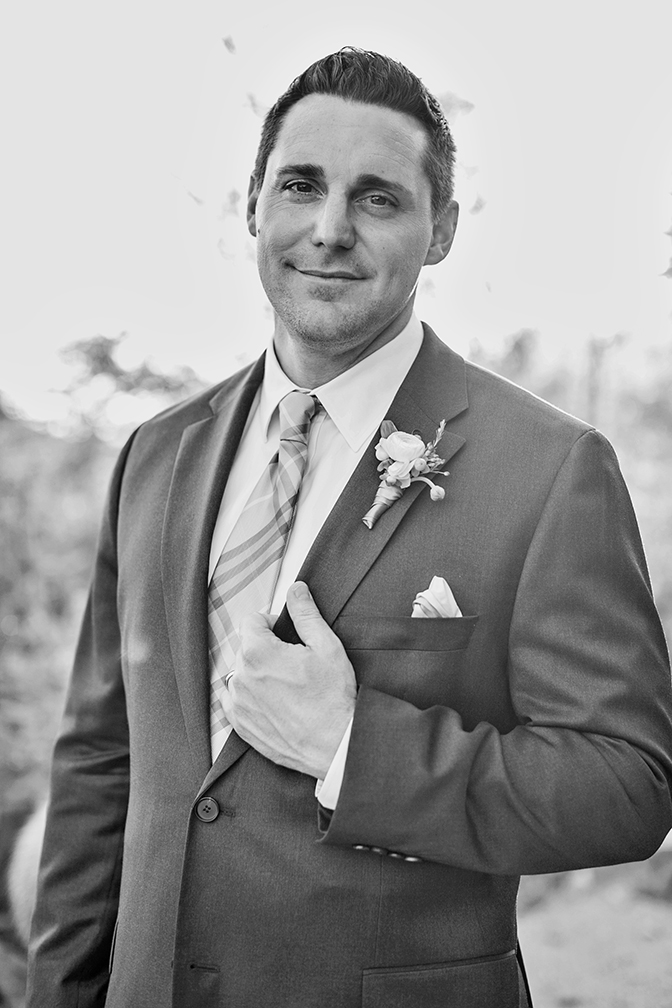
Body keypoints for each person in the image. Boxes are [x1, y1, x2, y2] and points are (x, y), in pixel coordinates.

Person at [27, 48, 672, 1008]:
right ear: (253, 205)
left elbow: (626, 787)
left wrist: (351, 746)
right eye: (301, 185)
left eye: (377, 198)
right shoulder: (156, 455)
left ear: (440, 230)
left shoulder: (550, 469)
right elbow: (100, 760)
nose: (330, 229)